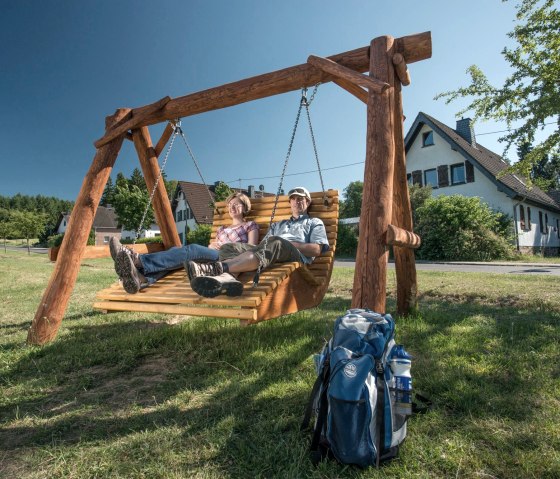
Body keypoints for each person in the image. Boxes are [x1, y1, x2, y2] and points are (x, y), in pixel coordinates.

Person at [185, 186, 329, 298]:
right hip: (272, 252)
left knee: (276, 242)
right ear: (290, 203)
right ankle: (227, 279)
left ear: (308, 202)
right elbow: (262, 247)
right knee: (229, 247)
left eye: (301, 199)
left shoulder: (314, 222)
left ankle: (214, 268)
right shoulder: (279, 224)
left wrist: (287, 243)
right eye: (294, 199)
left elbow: (316, 249)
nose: (297, 202)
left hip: (295, 255)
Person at [110, 192, 258, 294]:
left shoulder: (250, 225)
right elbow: (210, 247)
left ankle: (137, 260)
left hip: (229, 257)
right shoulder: (222, 228)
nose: (232, 207)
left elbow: (251, 248)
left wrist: (225, 247)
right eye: (230, 204)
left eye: (237, 204)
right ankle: (141, 278)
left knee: (192, 249)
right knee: (177, 254)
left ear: (245, 207)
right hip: (213, 254)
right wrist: (211, 246)